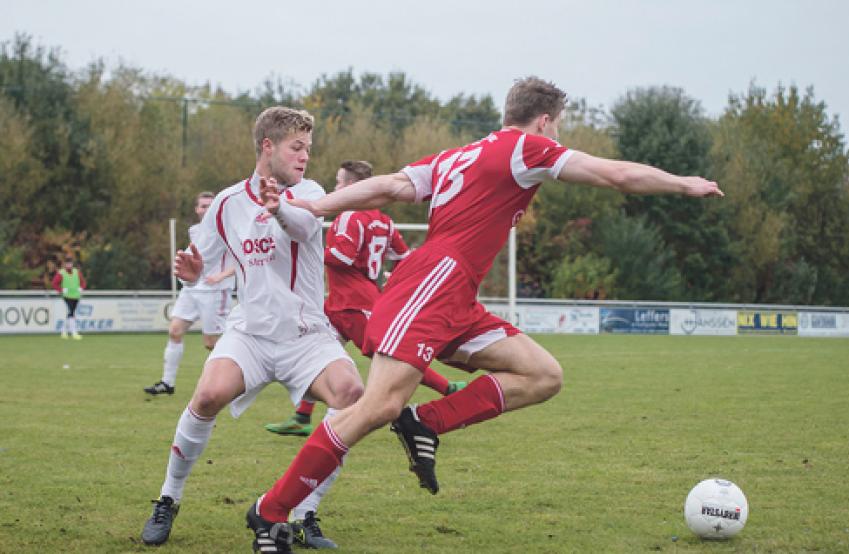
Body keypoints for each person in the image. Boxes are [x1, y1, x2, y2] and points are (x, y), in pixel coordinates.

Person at [244, 77, 723, 552]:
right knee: (375, 407)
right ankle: (270, 510)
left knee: (542, 374)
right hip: (432, 284)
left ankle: (425, 423)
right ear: (544, 120)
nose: (556, 138)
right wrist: (683, 184)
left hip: (456, 296)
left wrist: (316, 204)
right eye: (557, 127)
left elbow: (389, 185)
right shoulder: (529, 148)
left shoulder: (458, 155)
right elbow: (615, 174)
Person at [140, 107, 363, 550]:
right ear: (268, 146)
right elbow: (198, 265)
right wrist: (190, 271)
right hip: (251, 333)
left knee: (352, 395)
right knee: (206, 395)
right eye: (296, 147)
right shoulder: (225, 204)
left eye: (308, 149)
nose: (304, 157)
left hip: (306, 335)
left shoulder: (310, 191)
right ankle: (168, 498)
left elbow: (303, 225)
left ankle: (305, 512)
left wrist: (279, 207)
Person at [264, 160, 466, 437]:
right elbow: (403, 256)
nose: (336, 188)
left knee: (389, 356)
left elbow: (342, 257)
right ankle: (301, 416)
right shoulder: (384, 220)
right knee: (315, 355)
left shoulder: (349, 216)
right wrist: (392, 279)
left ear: (351, 186)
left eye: (338, 182)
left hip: (353, 304)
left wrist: (309, 252)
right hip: (344, 301)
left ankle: (448, 389)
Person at [144, 191, 236, 396]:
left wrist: (221, 276)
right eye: (202, 206)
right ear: (196, 209)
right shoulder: (194, 231)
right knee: (175, 331)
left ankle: (237, 379)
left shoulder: (228, 230)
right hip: (192, 289)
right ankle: (167, 383)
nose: (206, 209)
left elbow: (242, 258)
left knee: (211, 344)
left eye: (210, 205)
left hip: (215, 291)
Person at [52, 257, 86, 340]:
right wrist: (61, 290)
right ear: (65, 264)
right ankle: (74, 332)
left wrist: (81, 288)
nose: (69, 265)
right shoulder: (61, 273)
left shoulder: (76, 272)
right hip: (67, 296)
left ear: (72, 264)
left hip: (76, 295)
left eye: (70, 263)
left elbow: (83, 282)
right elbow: (54, 284)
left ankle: (63, 331)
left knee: (71, 313)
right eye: (67, 263)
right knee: (71, 313)